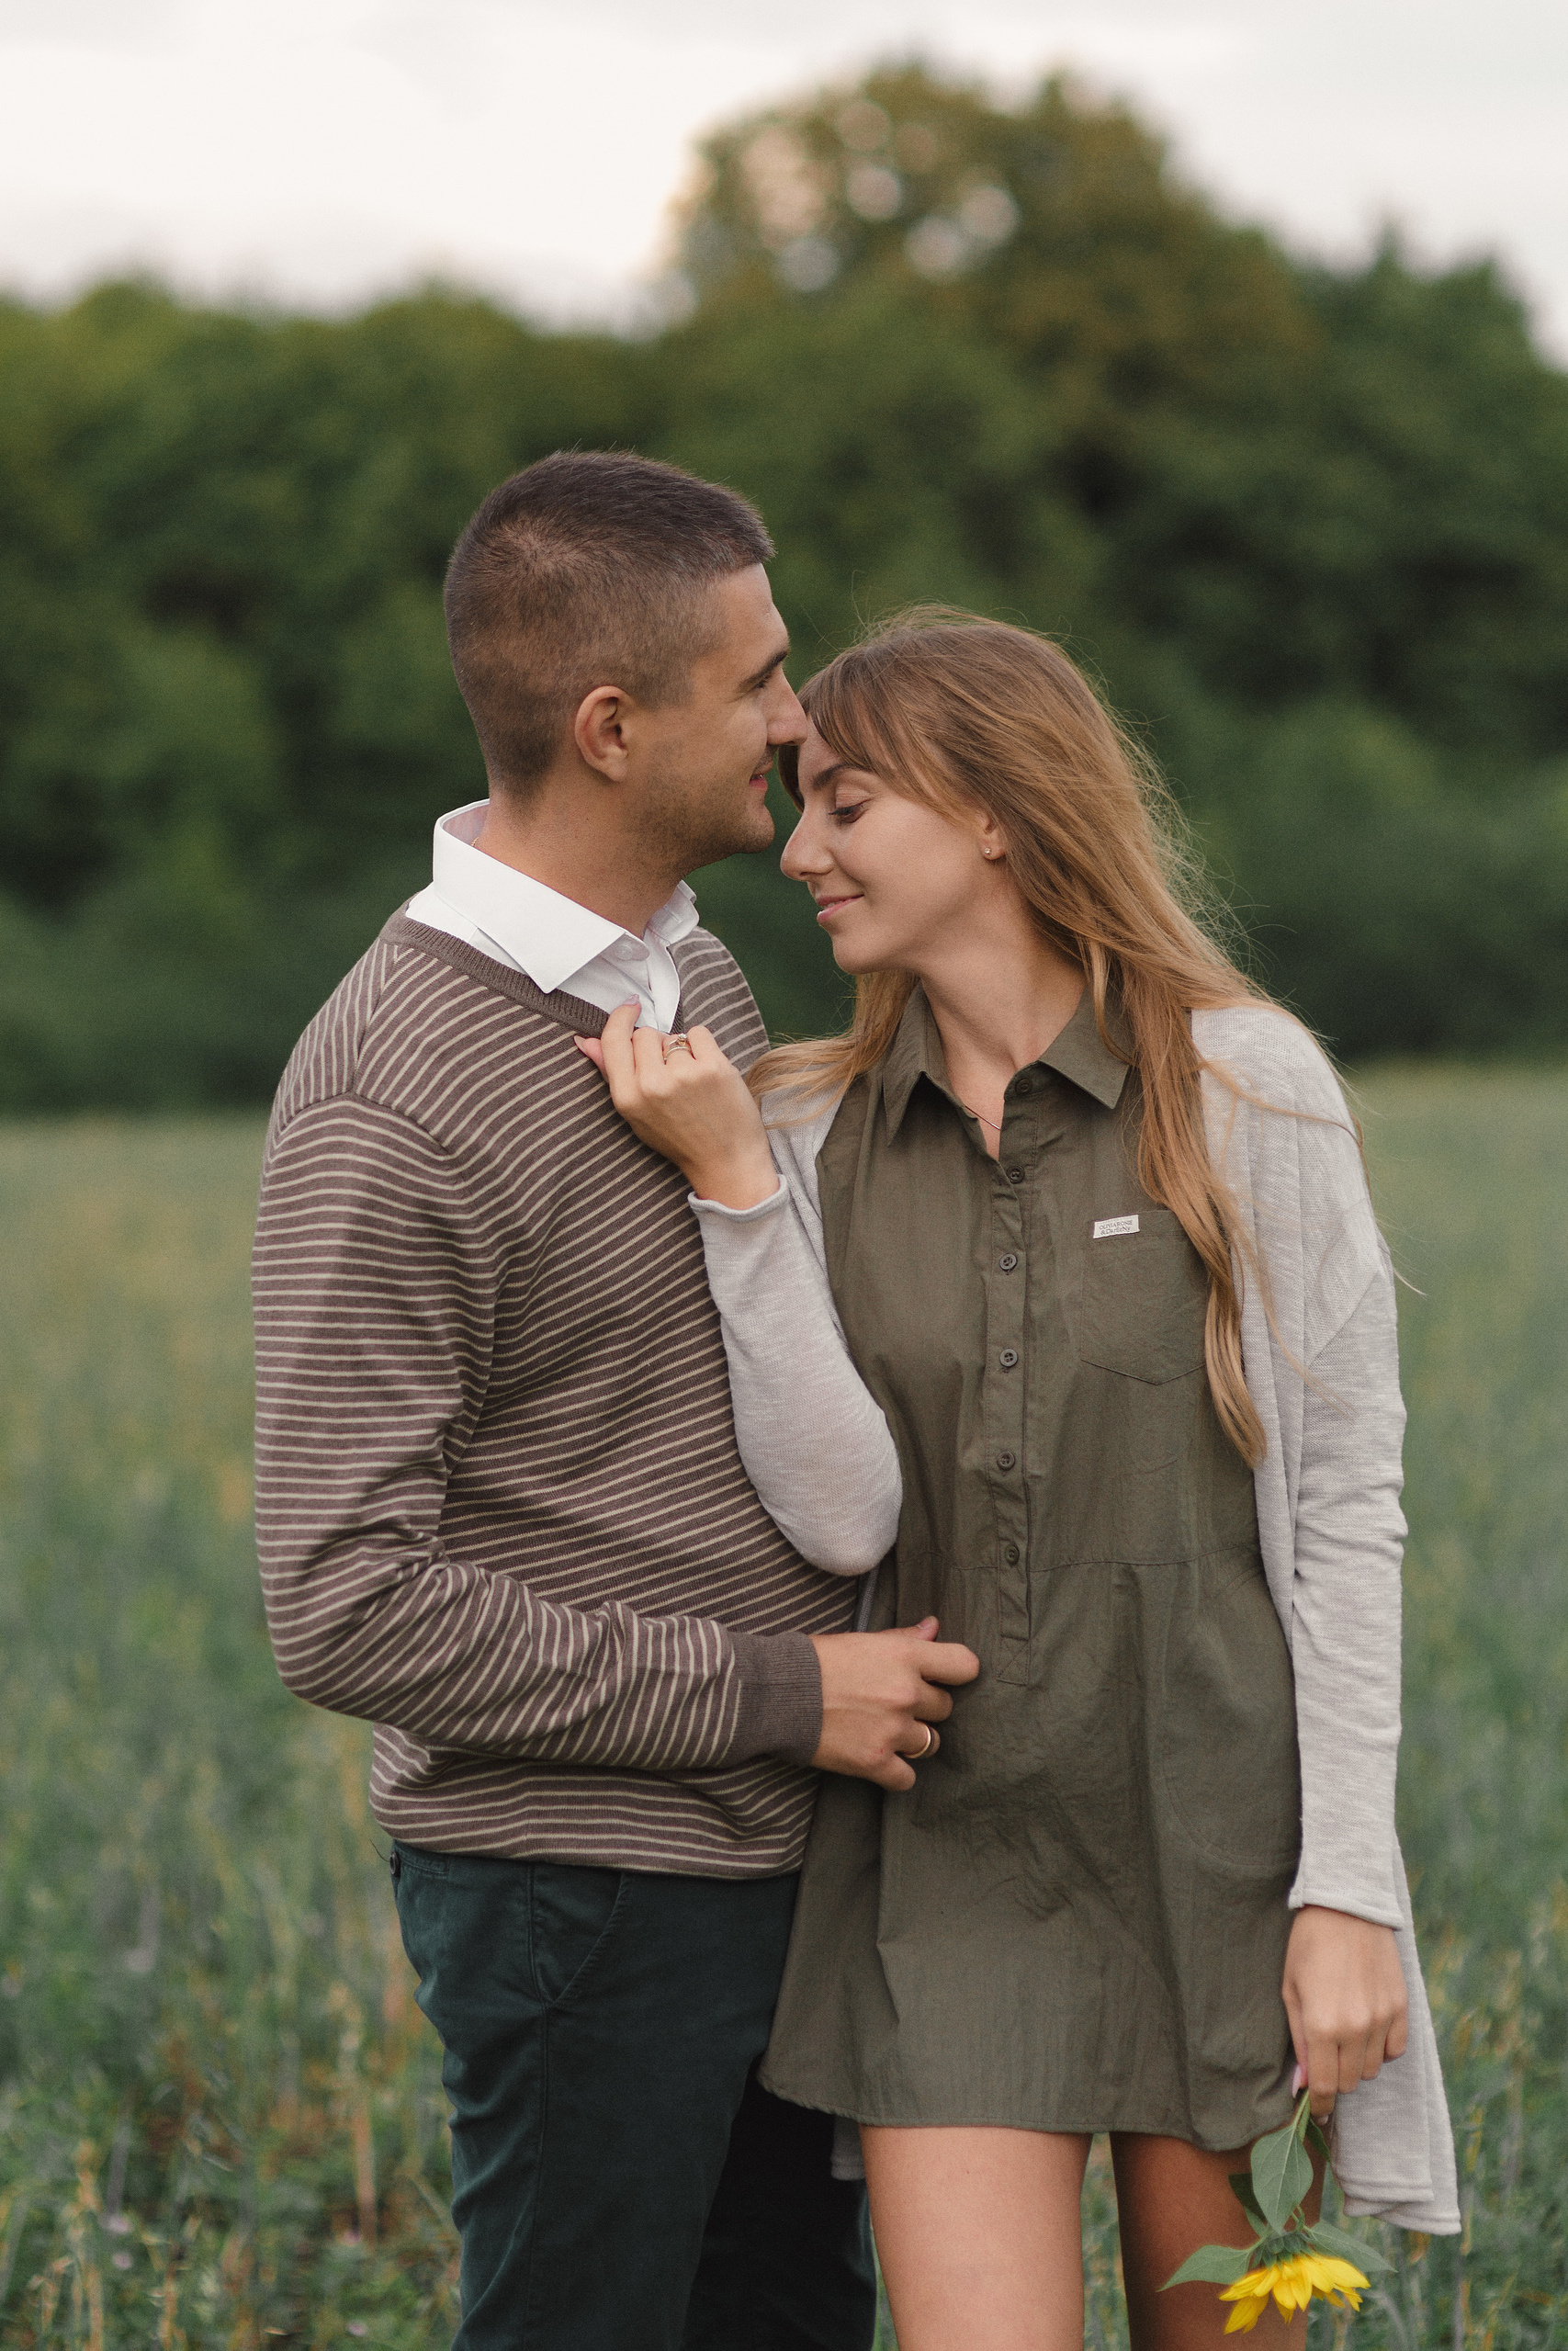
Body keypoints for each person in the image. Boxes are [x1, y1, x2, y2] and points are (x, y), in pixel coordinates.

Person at [581, 610, 1461, 2350]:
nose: (801, 848)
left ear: (990, 809)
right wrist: (741, 1198)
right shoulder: (810, 1125)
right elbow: (840, 1519)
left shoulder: (1243, 1088)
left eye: (844, 802)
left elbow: (1349, 1513)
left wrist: (1345, 1894)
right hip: (947, 1859)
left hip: (1222, 1851)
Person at [251, 457, 980, 2351]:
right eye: (755, 679)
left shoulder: (702, 981)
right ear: (608, 724)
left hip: (777, 1860)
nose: (794, 717)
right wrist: (775, 1690)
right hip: (576, 1893)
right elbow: (342, 1599)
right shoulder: (390, 1090)